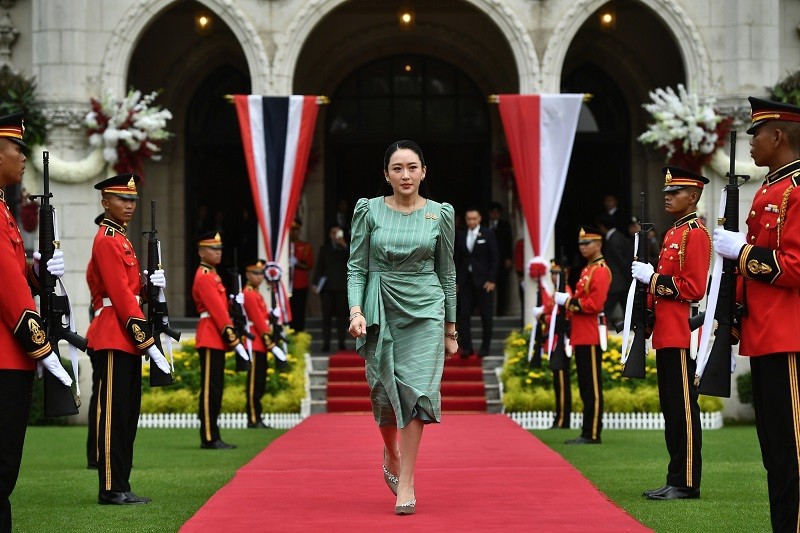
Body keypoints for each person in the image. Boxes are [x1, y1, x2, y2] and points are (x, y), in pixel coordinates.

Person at [347, 140, 457, 515]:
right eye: (397, 168)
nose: (405, 175)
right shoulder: (368, 210)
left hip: (426, 309)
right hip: (379, 305)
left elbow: (448, 272)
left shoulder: (440, 213)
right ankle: (391, 451)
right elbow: (356, 267)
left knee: (418, 392)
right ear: (386, 174)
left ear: (424, 172)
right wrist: (356, 311)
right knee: (381, 392)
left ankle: (406, 480)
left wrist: (451, 329)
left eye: (412, 167)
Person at [713, 97, 800, 530]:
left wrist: (742, 252)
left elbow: (795, 267)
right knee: (775, 452)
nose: (751, 142)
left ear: (778, 136)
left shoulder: (796, 190)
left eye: (757, 134)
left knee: (794, 450)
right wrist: (731, 321)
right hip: (763, 334)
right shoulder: (768, 189)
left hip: (789, 336)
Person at [0, 112, 73, 527]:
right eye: (18, 148)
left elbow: (16, 273)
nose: (24, 157)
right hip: (6, 354)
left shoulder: (3, 209)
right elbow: (7, 288)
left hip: (12, 354)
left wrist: (37, 269)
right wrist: (42, 348)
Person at [85, 173, 171, 505]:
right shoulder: (108, 239)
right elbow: (120, 297)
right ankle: (110, 487)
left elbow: (131, 293)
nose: (130, 205)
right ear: (105, 202)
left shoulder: (121, 239)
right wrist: (147, 341)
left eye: (133, 199)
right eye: (122, 199)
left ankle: (121, 483)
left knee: (126, 416)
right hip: (113, 333)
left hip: (124, 334)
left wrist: (149, 289)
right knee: (114, 416)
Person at [632, 166, 710, 500]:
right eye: (666, 192)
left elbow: (693, 288)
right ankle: (675, 476)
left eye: (674, 192)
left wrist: (651, 279)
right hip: (666, 332)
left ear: (692, 197)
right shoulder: (672, 233)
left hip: (681, 333)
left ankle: (686, 481)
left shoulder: (695, 233)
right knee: (671, 410)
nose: (667, 197)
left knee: (684, 410)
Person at [192, 231, 250, 449]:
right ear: (201, 252)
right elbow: (217, 311)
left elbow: (223, 308)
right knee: (210, 389)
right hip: (210, 333)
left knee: (216, 388)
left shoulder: (213, 275)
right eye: (213, 249)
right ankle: (209, 436)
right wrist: (233, 340)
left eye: (219, 249)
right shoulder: (206, 275)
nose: (218, 252)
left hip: (214, 335)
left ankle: (213, 434)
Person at [555, 227, 610, 444]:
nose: (582, 247)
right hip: (581, 334)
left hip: (590, 334)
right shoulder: (588, 269)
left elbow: (594, 304)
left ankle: (592, 432)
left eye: (587, 243)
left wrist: (568, 301)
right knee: (585, 386)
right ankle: (587, 430)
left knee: (592, 386)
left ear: (598, 244)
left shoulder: (600, 271)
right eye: (580, 244)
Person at [242, 259, 287, 428]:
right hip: (254, 341)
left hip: (259, 342)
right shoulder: (249, 293)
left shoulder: (256, 293)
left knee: (260, 381)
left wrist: (271, 315)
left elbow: (263, 317)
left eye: (261, 273)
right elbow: (258, 321)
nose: (260, 277)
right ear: (248, 275)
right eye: (256, 273)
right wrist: (270, 343)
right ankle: (253, 417)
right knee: (254, 383)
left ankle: (257, 416)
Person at [532, 258, 572, 429]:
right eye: (552, 273)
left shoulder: (565, 292)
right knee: (558, 381)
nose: (554, 277)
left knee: (562, 381)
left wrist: (542, 317)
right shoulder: (556, 293)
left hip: (561, 341)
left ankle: (563, 418)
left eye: (557, 274)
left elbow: (561, 318)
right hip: (553, 341)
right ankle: (559, 417)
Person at [455, 207, 498, 358]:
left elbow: (494, 257)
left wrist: (492, 279)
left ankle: (485, 348)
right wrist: (456, 281)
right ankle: (467, 347)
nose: (471, 221)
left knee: (486, 316)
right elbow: (457, 259)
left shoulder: (488, 233)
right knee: (464, 315)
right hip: (465, 281)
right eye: (469, 219)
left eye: (474, 218)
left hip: (484, 281)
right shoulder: (460, 235)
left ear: (479, 219)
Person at [312, 224, 349, 352]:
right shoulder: (324, 248)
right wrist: (315, 283)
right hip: (327, 287)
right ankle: (326, 343)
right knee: (326, 316)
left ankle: (341, 342)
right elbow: (319, 267)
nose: (335, 235)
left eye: (338, 233)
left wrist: (343, 244)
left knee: (342, 317)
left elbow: (354, 259)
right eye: (333, 233)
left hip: (342, 287)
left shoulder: (346, 247)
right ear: (329, 235)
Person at [596, 213, 631, 322]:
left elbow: (622, 262)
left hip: (617, 282)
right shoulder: (616, 236)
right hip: (621, 281)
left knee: (607, 308)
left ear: (602, 226)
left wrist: (629, 278)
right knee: (627, 309)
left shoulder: (614, 239)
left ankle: (601, 326)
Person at [488, 202, 514, 316]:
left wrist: (509, 258)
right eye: (492, 212)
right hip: (487, 262)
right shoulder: (485, 224)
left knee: (502, 286)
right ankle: (488, 312)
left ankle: (500, 312)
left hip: (502, 260)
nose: (494, 215)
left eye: (497, 213)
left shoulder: (505, 225)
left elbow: (509, 242)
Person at [289, 219, 313, 331]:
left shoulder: (305, 246)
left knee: (299, 310)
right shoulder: (284, 246)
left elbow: (309, 264)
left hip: (300, 283)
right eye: (292, 230)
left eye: (296, 230)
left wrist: (297, 263)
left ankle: (299, 334)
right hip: (286, 285)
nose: (294, 232)